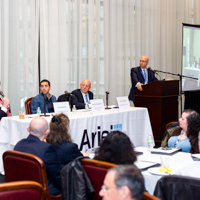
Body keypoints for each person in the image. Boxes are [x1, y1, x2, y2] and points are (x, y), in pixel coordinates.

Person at [14, 117, 61, 196]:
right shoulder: (47, 148)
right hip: (42, 191)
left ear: (28, 129)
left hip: (20, 188)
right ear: (47, 132)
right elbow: (56, 176)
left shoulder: (18, 144)